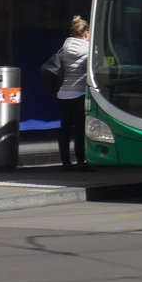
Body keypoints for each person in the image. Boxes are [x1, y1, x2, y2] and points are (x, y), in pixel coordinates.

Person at [57, 15, 92, 171]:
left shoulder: (65, 45)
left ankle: (65, 161)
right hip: (79, 94)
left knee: (65, 129)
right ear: (85, 33)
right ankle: (81, 161)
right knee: (79, 129)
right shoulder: (89, 48)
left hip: (63, 93)